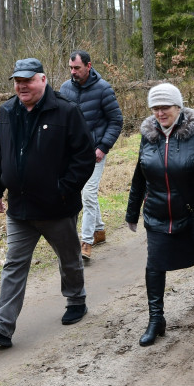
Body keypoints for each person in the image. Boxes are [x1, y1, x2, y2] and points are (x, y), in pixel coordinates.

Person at [0, 58, 95, 348]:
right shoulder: (7, 111)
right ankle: (2, 326)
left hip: (57, 207)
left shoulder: (66, 111)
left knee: (69, 258)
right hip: (20, 207)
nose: (21, 85)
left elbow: (84, 157)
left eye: (27, 80)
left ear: (43, 79)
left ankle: (76, 300)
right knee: (14, 264)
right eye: (17, 81)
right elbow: (1, 154)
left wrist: (63, 190)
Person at [125, 84, 194, 347]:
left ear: (178, 106)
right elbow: (139, 174)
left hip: (192, 209)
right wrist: (133, 212)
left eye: (165, 106)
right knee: (154, 264)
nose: (160, 112)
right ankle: (156, 319)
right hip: (157, 211)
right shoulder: (149, 134)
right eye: (155, 107)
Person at [60, 50, 124, 262]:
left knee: (87, 193)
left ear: (88, 66)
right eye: (71, 68)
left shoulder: (103, 89)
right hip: (72, 154)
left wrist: (103, 147)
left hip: (95, 152)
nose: (73, 72)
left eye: (77, 68)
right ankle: (99, 230)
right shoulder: (65, 88)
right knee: (82, 193)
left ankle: (86, 242)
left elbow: (116, 120)